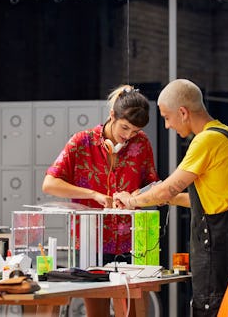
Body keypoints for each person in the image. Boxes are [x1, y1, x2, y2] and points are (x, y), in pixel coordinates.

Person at [113, 78, 228, 316]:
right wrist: (168, 199)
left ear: (183, 112)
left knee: (210, 310)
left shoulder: (206, 140)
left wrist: (131, 201)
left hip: (216, 249)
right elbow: (210, 198)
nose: (167, 126)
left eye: (167, 118)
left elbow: (168, 188)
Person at [42, 84, 159, 316]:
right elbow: (50, 184)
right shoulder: (81, 142)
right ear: (112, 115)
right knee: (98, 314)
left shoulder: (141, 143)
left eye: (135, 131)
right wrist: (93, 195)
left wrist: (135, 198)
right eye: (125, 128)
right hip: (90, 244)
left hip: (132, 242)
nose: (128, 136)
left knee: (135, 313)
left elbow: (153, 185)